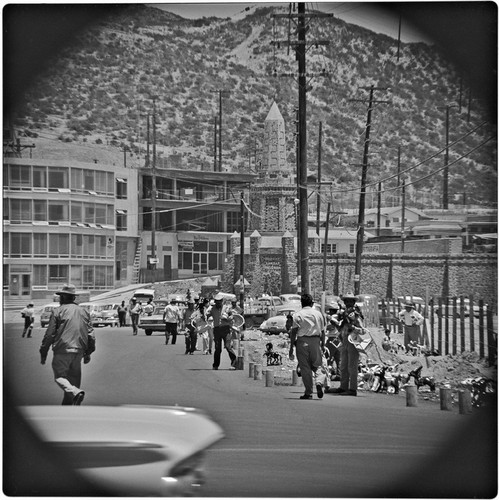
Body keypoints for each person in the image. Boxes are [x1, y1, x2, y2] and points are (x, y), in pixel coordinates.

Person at [39, 284, 95, 405]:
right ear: (73, 298)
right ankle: (71, 407)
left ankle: (75, 392)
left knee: (60, 377)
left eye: (60, 297)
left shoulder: (57, 311)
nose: (59, 299)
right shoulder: (84, 311)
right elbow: (90, 334)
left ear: (63, 298)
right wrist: (88, 352)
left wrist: (43, 352)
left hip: (62, 349)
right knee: (73, 382)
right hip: (78, 351)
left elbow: (49, 335)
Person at [288, 293, 326, 399]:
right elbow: (322, 331)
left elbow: (294, 332)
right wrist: (323, 344)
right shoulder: (318, 314)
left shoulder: (297, 315)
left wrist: (291, 347)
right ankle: (319, 382)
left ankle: (308, 392)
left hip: (302, 342)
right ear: (312, 303)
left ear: (301, 303)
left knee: (305, 368)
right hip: (315, 341)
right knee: (318, 365)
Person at [330, 292, 365, 397]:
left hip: (353, 341)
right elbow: (342, 328)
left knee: (352, 366)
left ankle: (352, 388)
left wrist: (353, 328)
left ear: (354, 302)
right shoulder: (345, 314)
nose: (348, 303)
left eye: (350, 301)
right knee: (343, 365)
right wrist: (336, 324)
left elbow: (363, 331)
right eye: (346, 301)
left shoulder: (356, 314)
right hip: (345, 340)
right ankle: (343, 386)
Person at [207, 294, 237, 370]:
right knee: (217, 349)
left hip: (225, 329)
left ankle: (234, 363)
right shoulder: (212, 309)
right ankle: (215, 365)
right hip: (217, 330)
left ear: (222, 301)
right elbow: (207, 316)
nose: (218, 303)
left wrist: (228, 318)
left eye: (219, 302)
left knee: (228, 347)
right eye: (216, 302)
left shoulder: (226, 308)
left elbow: (232, 316)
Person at [324, 302, 342, 382]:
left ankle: (326, 375)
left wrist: (325, 327)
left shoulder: (332, 318)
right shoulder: (340, 317)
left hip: (332, 339)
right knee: (339, 359)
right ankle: (340, 375)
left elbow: (330, 327)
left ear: (331, 311)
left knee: (327, 358)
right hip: (339, 340)